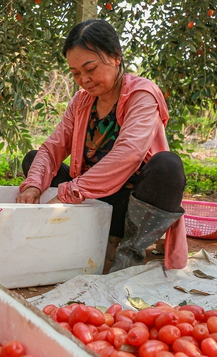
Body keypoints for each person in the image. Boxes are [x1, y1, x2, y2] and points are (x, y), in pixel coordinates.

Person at [16, 19, 188, 274]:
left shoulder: (142, 94)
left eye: (90, 69)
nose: (84, 79)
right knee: (35, 161)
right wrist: (32, 185)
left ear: (116, 57)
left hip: (128, 202)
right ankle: (84, 236)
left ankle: (129, 250)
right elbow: (54, 146)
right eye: (75, 73)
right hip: (92, 197)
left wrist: (69, 192)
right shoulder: (82, 101)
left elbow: (127, 155)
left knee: (168, 166)